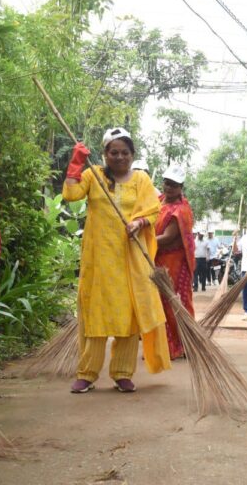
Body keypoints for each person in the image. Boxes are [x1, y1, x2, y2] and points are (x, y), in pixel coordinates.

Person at [63, 127, 170, 394]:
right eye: (114, 152)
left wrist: (139, 222)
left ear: (133, 155)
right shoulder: (93, 175)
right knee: (96, 315)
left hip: (130, 260)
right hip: (99, 259)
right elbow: (71, 195)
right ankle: (87, 373)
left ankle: (122, 372)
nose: (119, 157)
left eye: (124, 152)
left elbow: (154, 210)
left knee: (128, 316)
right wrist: (75, 165)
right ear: (105, 154)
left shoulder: (142, 179)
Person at [155, 164, 195, 360]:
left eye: (173, 185)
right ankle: (162, 346)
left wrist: (145, 241)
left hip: (175, 262)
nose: (168, 188)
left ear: (181, 187)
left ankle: (181, 345)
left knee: (174, 302)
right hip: (157, 259)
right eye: (166, 183)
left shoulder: (181, 210)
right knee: (157, 303)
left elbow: (168, 237)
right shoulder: (158, 201)